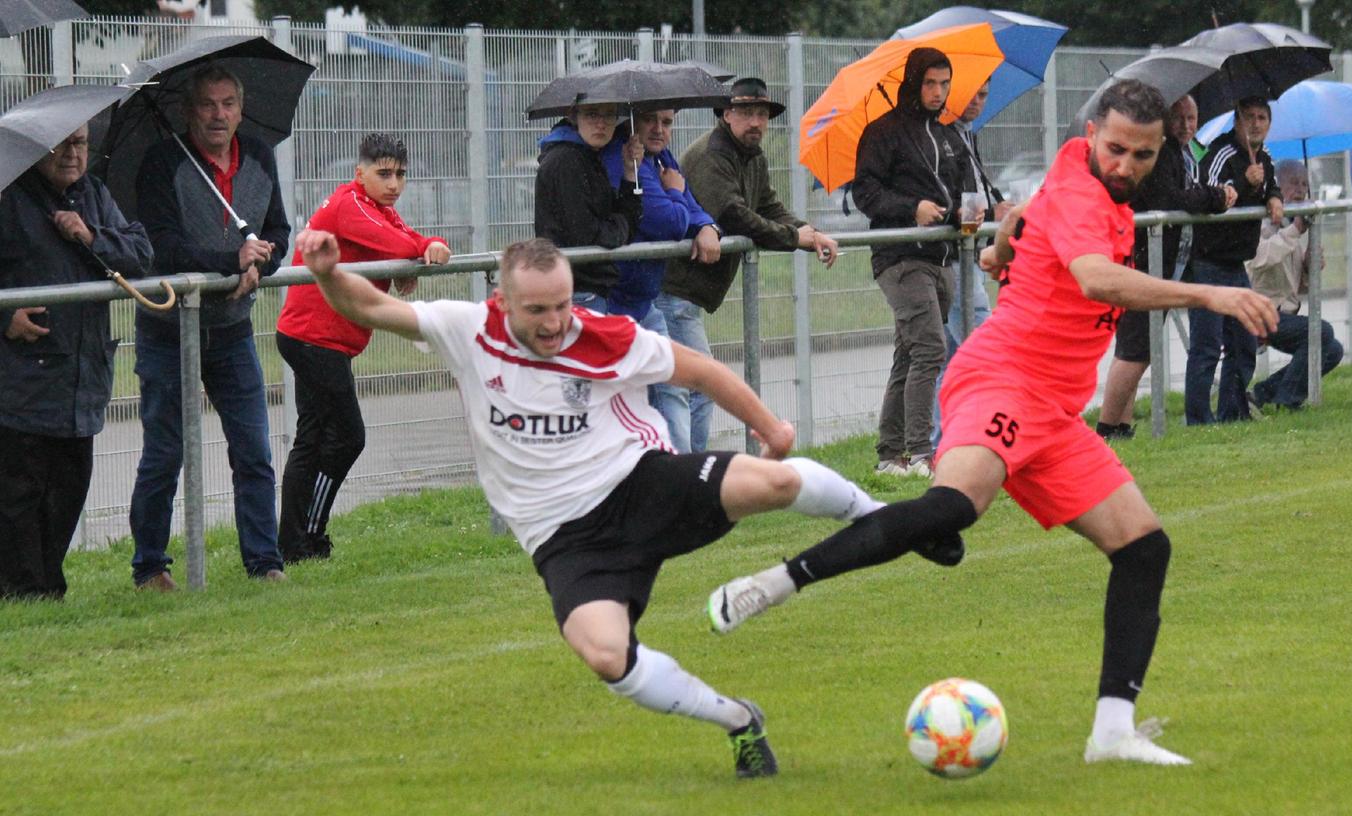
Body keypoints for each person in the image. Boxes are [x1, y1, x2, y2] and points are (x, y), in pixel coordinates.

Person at [703, 80, 1279, 766]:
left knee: (1143, 548)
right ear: (1094, 133)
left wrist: (999, 253)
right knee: (952, 508)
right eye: (1116, 149)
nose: (1124, 165)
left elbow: (1022, 222)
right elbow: (1096, 280)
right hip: (1002, 379)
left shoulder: (1072, 164)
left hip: (1055, 414)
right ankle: (772, 583)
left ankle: (1111, 732)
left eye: (1143, 155)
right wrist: (1210, 293)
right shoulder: (1078, 193)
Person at [297, 232, 886, 779]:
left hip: (638, 482)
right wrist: (327, 274)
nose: (555, 323)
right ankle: (737, 720)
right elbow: (371, 307)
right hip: (561, 536)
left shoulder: (609, 337)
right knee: (607, 656)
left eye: (562, 305)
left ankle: (886, 519)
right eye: (537, 311)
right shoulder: (467, 329)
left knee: (774, 483)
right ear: (502, 300)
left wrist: (772, 429)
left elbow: (702, 371)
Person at [130, 66, 291, 590]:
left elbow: (277, 232)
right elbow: (161, 249)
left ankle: (264, 563)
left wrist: (257, 265)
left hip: (231, 331)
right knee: (165, 454)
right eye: (207, 104)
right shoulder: (162, 163)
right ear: (187, 111)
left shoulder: (261, 157)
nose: (218, 114)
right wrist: (231, 260)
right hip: (166, 330)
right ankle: (149, 567)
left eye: (227, 103)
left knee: (254, 451)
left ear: (241, 110)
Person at [273, 133, 450, 563]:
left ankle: (297, 544)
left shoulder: (377, 207)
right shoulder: (350, 204)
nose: (394, 184)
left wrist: (418, 250)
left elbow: (402, 236)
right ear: (360, 173)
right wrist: (422, 251)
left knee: (312, 439)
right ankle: (308, 535)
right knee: (348, 436)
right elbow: (395, 243)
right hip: (313, 338)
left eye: (400, 175)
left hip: (319, 339)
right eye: (383, 174)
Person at [0, 126, 153, 599]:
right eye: (61, 143)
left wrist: (90, 234)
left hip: (82, 380)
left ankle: (47, 587)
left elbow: (141, 254)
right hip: (22, 381)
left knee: (68, 491)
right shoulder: (10, 197)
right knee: (19, 495)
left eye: (81, 142)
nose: (72, 153)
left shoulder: (95, 195)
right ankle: (22, 591)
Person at [664, 77, 840, 452]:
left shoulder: (750, 156)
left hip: (687, 297)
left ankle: (683, 475)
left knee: (683, 389)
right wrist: (795, 238)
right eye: (745, 113)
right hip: (673, 291)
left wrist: (810, 232)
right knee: (695, 388)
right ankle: (687, 479)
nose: (756, 122)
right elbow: (732, 214)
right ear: (726, 115)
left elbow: (767, 206)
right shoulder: (714, 153)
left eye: (762, 114)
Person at [854, 47, 971, 477]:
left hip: (943, 259)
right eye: (930, 83)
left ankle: (890, 455)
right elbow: (865, 193)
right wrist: (911, 209)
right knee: (930, 349)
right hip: (900, 259)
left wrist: (966, 212)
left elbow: (960, 195)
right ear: (913, 82)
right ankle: (921, 453)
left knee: (909, 354)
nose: (938, 92)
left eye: (945, 84)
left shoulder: (950, 135)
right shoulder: (882, 133)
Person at [1097, 94, 1236, 439]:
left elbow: (1180, 193)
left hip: (1159, 261)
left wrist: (1210, 193)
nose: (1187, 125)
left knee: (1138, 350)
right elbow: (1170, 199)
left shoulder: (1179, 153)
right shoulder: (1160, 154)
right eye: (1180, 118)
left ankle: (1121, 426)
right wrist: (1215, 198)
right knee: (1135, 351)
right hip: (1143, 262)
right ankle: (1105, 428)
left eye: (1192, 118)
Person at [598, 108, 721, 452]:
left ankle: (685, 474)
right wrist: (678, 195)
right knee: (632, 398)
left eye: (667, 122)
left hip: (643, 300)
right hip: (615, 302)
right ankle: (671, 475)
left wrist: (707, 226)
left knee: (677, 386)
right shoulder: (624, 157)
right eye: (650, 120)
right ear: (631, 121)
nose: (659, 129)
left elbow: (691, 208)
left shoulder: (660, 158)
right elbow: (665, 221)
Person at [1186, 96, 1283, 425]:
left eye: (1262, 117)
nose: (1256, 123)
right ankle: (1199, 421)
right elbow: (1212, 197)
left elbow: (1273, 186)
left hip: (1236, 265)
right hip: (1207, 263)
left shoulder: (1265, 158)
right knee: (1208, 347)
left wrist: (1273, 197)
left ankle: (1234, 413)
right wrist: (1245, 182)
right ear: (1236, 122)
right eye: (1249, 117)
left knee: (1244, 342)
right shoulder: (1220, 153)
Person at [930, 77, 1010, 452]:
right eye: (971, 93)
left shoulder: (965, 134)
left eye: (984, 95)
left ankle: (942, 439)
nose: (978, 102)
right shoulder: (941, 135)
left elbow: (971, 196)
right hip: (953, 258)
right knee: (987, 348)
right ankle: (982, 436)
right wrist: (992, 211)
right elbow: (952, 201)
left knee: (948, 358)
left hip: (969, 254)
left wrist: (995, 211)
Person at [1245, 160, 1343, 411]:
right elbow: (1258, 260)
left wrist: (1311, 264)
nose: (1300, 190)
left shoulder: (1293, 228)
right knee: (1321, 332)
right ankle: (1287, 400)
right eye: (1293, 183)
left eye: (1304, 184)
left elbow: (1299, 286)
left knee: (1333, 350)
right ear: (1277, 186)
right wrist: (1296, 231)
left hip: (1285, 314)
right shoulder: (1260, 221)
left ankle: (1264, 393)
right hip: (1259, 314)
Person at [534, 102, 643, 308]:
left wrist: (630, 172)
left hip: (587, 288)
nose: (601, 124)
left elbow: (624, 225)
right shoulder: (567, 161)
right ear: (574, 116)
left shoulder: (588, 157)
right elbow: (588, 234)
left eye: (609, 115)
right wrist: (620, 226)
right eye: (592, 114)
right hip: (576, 290)